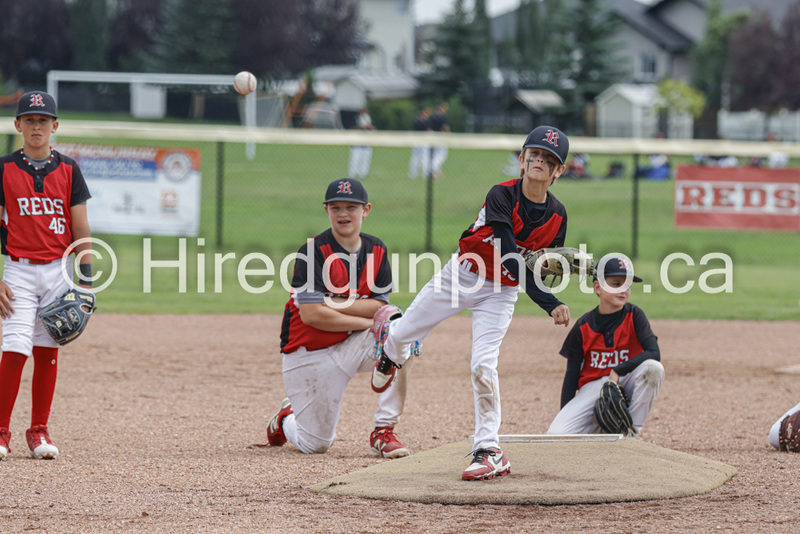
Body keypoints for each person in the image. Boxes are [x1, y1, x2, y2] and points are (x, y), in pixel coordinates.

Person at [370, 125, 574, 481]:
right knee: (404, 333)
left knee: (483, 365)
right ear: (522, 159)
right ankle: (388, 347)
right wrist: (548, 301)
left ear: (559, 171)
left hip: (500, 293)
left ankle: (490, 449)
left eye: (550, 159)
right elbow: (511, 256)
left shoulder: (558, 215)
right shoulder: (502, 195)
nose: (540, 161)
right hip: (461, 276)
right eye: (535, 154)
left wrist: (554, 268)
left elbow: (536, 265)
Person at [266, 177, 417, 458]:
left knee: (400, 338)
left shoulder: (377, 250)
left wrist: (331, 301)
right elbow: (312, 316)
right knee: (316, 445)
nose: (343, 214)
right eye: (336, 208)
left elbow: (379, 307)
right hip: (307, 355)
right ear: (327, 211)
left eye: (351, 207)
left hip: (349, 347)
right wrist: (371, 324)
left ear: (366, 210)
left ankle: (383, 431)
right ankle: (287, 419)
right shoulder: (312, 251)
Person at [0, 91, 93, 461]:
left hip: (58, 270)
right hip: (18, 271)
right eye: (29, 119)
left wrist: (85, 279)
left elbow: (80, 225)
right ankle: (1, 432)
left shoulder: (69, 169)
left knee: (48, 348)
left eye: (43, 120)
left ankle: (38, 431)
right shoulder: (4, 168)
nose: (36, 126)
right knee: (15, 348)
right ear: (17, 125)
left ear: (55, 126)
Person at [547, 256, 664, 436]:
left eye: (627, 285)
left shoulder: (635, 315)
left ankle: (630, 433)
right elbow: (571, 375)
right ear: (597, 287)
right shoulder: (583, 325)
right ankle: (600, 429)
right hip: (593, 388)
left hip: (626, 379)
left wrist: (617, 371)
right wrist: (565, 412)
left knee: (653, 368)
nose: (623, 290)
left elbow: (653, 353)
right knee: (556, 435)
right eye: (616, 284)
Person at [348, 108, 375, 179]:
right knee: (355, 160)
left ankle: (363, 174)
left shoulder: (368, 119)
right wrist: (360, 126)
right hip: (357, 145)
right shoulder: (355, 119)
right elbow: (352, 129)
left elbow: (373, 130)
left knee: (365, 161)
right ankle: (352, 174)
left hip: (366, 144)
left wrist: (368, 126)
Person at [408, 106, 432, 180]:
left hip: (416, 141)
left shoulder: (416, 121)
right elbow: (429, 131)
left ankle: (413, 174)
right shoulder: (426, 122)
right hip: (424, 141)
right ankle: (425, 174)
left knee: (415, 157)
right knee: (424, 158)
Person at [429, 102, 450, 179]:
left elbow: (429, 128)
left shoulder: (432, 117)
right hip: (441, 137)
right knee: (441, 155)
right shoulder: (443, 117)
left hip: (433, 136)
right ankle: (433, 169)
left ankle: (437, 172)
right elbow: (445, 127)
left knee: (434, 155)